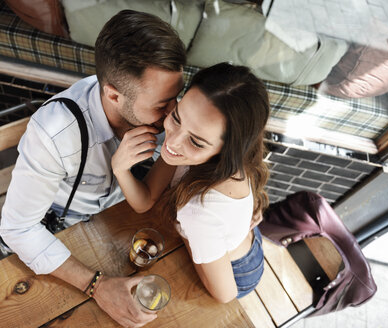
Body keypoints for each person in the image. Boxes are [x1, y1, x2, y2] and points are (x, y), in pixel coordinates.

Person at [0, 10, 186, 328]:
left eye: (176, 98)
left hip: (123, 218)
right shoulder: (54, 135)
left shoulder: (166, 114)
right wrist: (96, 286)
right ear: (113, 94)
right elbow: (17, 230)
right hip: (65, 228)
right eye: (161, 105)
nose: (173, 117)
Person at [112, 63, 270, 302]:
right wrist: (119, 168)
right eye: (176, 117)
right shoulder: (223, 156)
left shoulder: (198, 213)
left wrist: (188, 233)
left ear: (227, 151)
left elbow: (226, 295)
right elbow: (145, 200)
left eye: (196, 142)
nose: (172, 141)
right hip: (236, 237)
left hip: (237, 273)